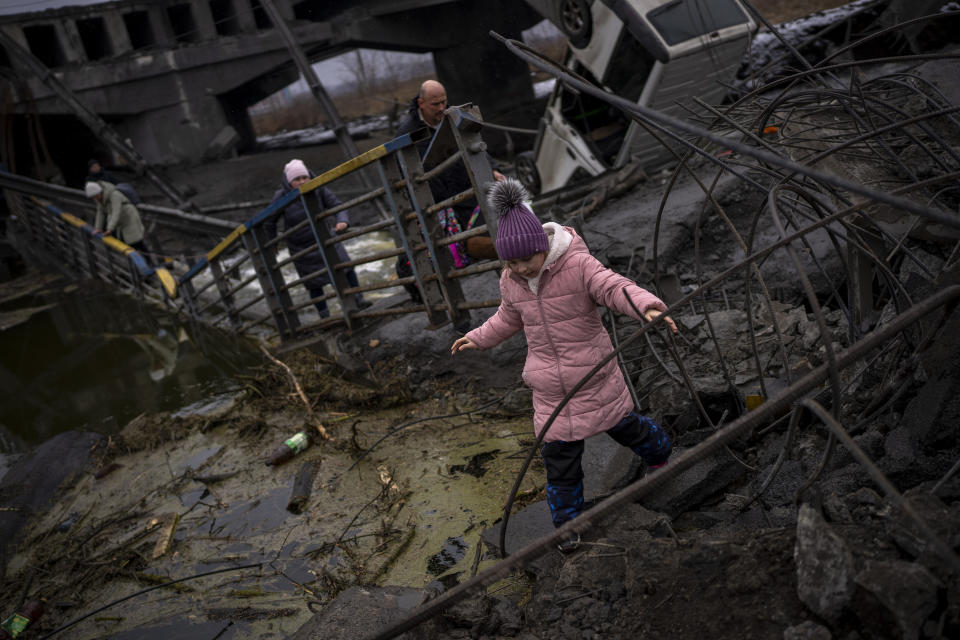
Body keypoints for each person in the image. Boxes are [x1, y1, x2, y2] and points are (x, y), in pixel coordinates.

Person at [450, 178, 678, 553]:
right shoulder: (512, 281)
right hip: (549, 388)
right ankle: (567, 525)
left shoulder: (578, 265)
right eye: (512, 262)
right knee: (559, 462)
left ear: (543, 247)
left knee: (626, 427)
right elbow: (506, 318)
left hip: (592, 375)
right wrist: (478, 336)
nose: (521, 268)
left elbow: (612, 286)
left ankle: (661, 456)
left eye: (527, 259)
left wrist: (646, 307)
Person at [394, 80, 504, 301]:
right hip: (440, 200)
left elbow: (474, 141)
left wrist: (492, 169)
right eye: (435, 104)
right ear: (421, 103)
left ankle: (513, 288)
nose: (441, 108)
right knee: (446, 252)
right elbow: (405, 175)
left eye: (444, 101)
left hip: (468, 189)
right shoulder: (406, 133)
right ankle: (450, 304)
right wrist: (417, 208)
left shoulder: (453, 116)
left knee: (494, 232)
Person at [265, 159, 371, 319]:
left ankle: (358, 299)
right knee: (313, 282)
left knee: (345, 267)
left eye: (304, 178)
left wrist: (342, 220)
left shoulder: (318, 187)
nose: (302, 182)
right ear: (289, 181)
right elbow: (269, 221)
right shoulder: (281, 196)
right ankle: (324, 315)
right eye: (297, 180)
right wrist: (272, 243)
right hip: (301, 247)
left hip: (326, 237)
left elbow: (336, 204)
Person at [85, 180, 149, 257]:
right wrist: (97, 228)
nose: (95, 199)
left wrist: (110, 228)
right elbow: (100, 213)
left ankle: (148, 261)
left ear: (99, 192)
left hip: (128, 217)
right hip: (119, 220)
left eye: (95, 196)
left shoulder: (115, 195)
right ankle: (140, 263)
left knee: (135, 241)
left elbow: (116, 211)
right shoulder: (99, 199)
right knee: (126, 242)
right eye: (93, 197)